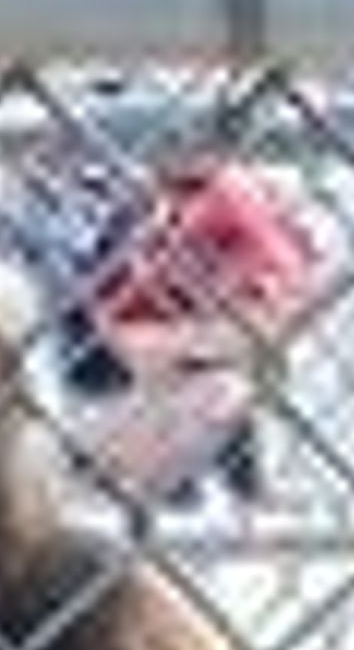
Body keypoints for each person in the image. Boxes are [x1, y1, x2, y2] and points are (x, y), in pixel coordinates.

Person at [54, 146, 326, 507]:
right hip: (77, 399)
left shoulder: (225, 196)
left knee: (222, 386)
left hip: (145, 389)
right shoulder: (112, 197)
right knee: (218, 386)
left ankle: (235, 493)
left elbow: (279, 311)